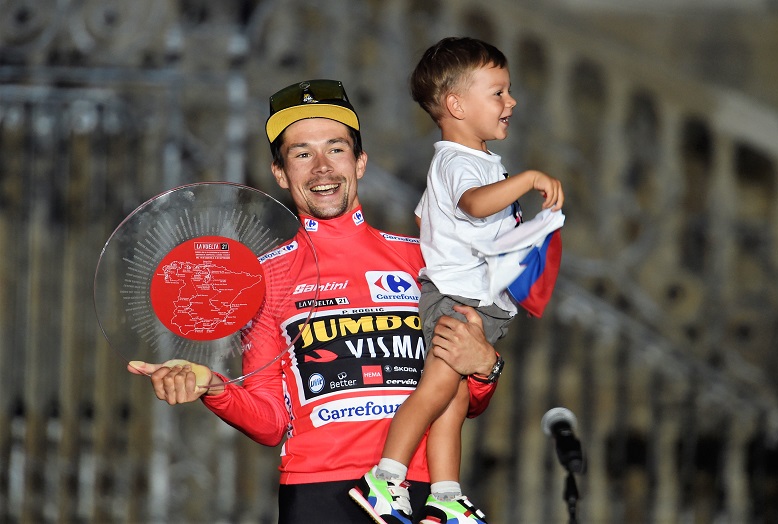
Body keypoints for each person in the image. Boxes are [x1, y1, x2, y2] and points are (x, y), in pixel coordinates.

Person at [128, 78, 502, 524]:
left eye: (336, 149)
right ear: (280, 173)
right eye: (302, 154)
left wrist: (486, 367)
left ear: (360, 162)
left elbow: (466, 399)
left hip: (417, 491)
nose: (322, 167)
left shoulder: (424, 258)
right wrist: (214, 387)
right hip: (317, 493)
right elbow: (271, 423)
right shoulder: (262, 278)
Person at [351, 37, 565, 524]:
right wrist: (529, 179)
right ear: (457, 105)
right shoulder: (458, 162)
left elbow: (429, 217)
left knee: (454, 400)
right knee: (435, 391)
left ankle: (445, 496)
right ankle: (385, 478)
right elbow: (474, 204)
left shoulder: (474, 160)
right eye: (498, 92)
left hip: (471, 298)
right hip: (457, 300)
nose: (511, 102)